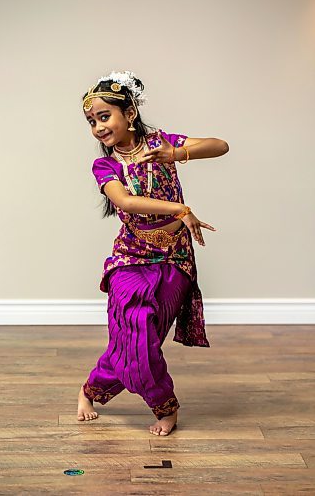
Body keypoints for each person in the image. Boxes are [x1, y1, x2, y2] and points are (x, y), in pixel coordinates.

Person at [77, 70, 229, 435]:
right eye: (91, 121)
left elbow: (220, 145)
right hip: (130, 257)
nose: (97, 127)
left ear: (129, 113)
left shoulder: (163, 143)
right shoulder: (106, 165)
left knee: (141, 338)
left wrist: (176, 154)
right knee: (134, 329)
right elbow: (125, 200)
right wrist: (180, 209)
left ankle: (90, 390)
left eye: (103, 116)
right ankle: (164, 405)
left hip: (174, 258)